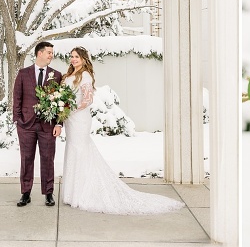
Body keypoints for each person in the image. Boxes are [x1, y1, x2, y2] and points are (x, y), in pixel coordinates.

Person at [61, 46, 184, 214]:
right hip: (70, 120)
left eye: (77, 56)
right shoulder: (68, 75)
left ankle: (81, 193)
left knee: (80, 150)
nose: (73, 59)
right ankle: (72, 192)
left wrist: (70, 109)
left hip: (80, 118)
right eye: (72, 56)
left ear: (84, 59)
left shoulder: (85, 75)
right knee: (72, 149)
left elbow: (88, 100)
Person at [12, 41, 63, 207]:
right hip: (26, 125)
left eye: (52, 52)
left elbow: (62, 101)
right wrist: (18, 120)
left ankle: (48, 193)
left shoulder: (56, 75)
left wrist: (59, 124)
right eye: (49, 52)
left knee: (48, 159)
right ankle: (25, 193)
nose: (51, 55)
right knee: (26, 159)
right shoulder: (23, 73)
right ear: (39, 53)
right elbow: (17, 98)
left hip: (48, 126)